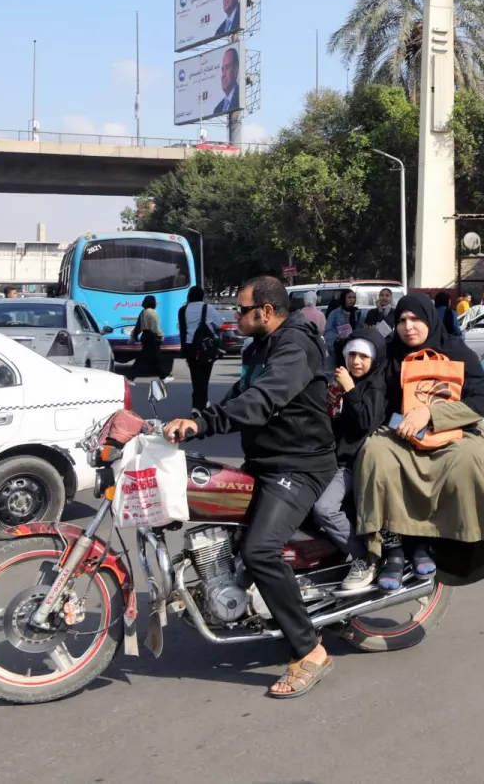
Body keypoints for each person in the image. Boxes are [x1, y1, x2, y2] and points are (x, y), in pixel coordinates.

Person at [162, 277, 338, 699]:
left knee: (260, 550)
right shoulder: (260, 346)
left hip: (299, 464)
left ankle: (310, 650)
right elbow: (240, 395)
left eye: (241, 310)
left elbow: (263, 400)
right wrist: (193, 421)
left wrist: (201, 424)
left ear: (267, 312)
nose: (234, 317)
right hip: (267, 460)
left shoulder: (295, 347)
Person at [355, 293, 484, 591]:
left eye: (416, 319)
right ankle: (389, 546)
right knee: (376, 452)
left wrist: (429, 413)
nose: (408, 327)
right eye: (402, 320)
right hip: (401, 431)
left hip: (454, 430)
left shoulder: (456, 350)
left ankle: (433, 542)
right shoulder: (389, 352)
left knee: (467, 459)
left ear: (430, 319)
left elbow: (480, 403)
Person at [312, 330, 388, 594]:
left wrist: (350, 390)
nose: (356, 361)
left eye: (363, 356)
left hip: (355, 464)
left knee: (324, 508)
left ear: (374, 359)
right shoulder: (342, 382)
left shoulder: (375, 385)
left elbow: (366, 422)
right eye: (352, 354)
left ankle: (365, 558)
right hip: (331, 458)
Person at [178, 285, 220, 410]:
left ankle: (199, 404)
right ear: (202, 296)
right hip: (205, 347)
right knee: (204, 377)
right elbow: (219, 324)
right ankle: (199, 406)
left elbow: (182, 331)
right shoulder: (208, 308)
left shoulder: (182, 310)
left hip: (189, 347)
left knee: (195, 377)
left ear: (189, 296)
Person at [123, 295, 169, 383]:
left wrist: (133, 337)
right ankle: (130, 378)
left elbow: (138, 327)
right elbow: (156, 327)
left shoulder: (143, 312)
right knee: (147, 359)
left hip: (145, 336)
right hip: (152, 337)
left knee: (153, 359)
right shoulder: (153, 313)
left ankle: (163, 377)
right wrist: (161, 336)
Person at [324, 289, 364, 365]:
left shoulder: (357, 313)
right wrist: (337, 336)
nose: (352, 300)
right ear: (343, 298)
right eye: (349, 297)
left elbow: (360, 328)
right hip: (339, 347)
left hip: (354, 347)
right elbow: (327, 331)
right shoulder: (334, 313)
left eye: (354, 297)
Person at [212, 47, 241, 115]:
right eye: (222, 69)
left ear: (236, 69)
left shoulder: (240, 98)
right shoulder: (218, 109)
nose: (223, 75)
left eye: (227, 67)